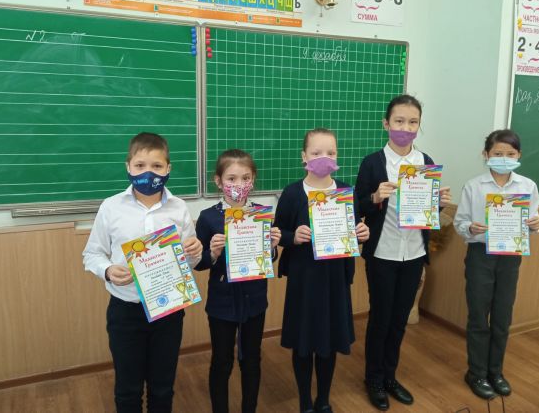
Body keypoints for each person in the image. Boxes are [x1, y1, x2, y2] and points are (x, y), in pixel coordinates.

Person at [83, 132, 202, 413]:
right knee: (128, 388)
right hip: (126, 311)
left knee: (162, 387)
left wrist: (194, 252)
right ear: (128, 166)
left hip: (169, 311)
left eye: (157, 166)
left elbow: (189, 261)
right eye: (140, 165)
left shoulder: (179, 208)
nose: (148, 172)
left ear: (168, 168)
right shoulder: (111, 207)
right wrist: (108, 270)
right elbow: (92, 254)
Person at [354, 94, 451, 411]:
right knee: (380, 319)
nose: (405, 128)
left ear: (419, 126)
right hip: (382, 253)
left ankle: (390, 377)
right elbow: (356, 207)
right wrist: (374, 197)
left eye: (412, 122)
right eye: (399, 121)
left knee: (399, 320)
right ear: (386, 123)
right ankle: (373, 379)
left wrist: (437, 204)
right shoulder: (372, 162)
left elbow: (427, 214)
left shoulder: (425, 161)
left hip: (414, 254)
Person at [274, 128, 370, 413]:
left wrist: (362, 234)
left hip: (335, 280)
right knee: (303, 343)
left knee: (329, 341)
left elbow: (353, 231)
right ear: (304, 156)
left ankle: (323, 399)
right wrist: (293, 236)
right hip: (304, 280)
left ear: (337, 156)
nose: (323, 158)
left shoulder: (345, 192)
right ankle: (305, 400)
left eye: (330, 152)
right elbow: (277, 232)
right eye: (316, 153)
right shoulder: (292, 193)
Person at [454, 129, 539, 400]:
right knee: (479, 316)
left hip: (510, 257)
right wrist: (470, 227)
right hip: (480, 255)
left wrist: (535, 224)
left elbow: (532, 222)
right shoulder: (474, 186)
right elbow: (460, 222)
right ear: (486, 154)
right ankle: (476, 373)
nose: (504, 158)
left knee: (503, 317)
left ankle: (496, 372)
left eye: (510, 154)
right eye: (498, 153)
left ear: (519, 155)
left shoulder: (527, 186)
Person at [195, 149, 281, 413]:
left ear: (253, 179)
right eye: (231, 179)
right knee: (222, 362)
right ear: (218, 181)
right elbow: (199, 263)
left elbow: (268, 259)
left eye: (245, 178)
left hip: (255, 301)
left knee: (252, 360)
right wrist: (213, 253)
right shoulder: (208, 217)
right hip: (222, 304)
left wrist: (272, 247)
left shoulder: (261, 215)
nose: (239, 184)